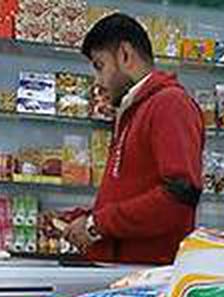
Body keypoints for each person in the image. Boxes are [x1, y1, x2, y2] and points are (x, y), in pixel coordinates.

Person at [50, 12, 205, 264]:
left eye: (100, 66)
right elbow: (134, 193)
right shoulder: (134, 109)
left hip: (145, 279)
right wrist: (83, 217)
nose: (98, 82)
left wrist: (95, 224)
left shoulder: (170, 104)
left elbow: (179, 196)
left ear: (124, 55)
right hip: (124, 272)